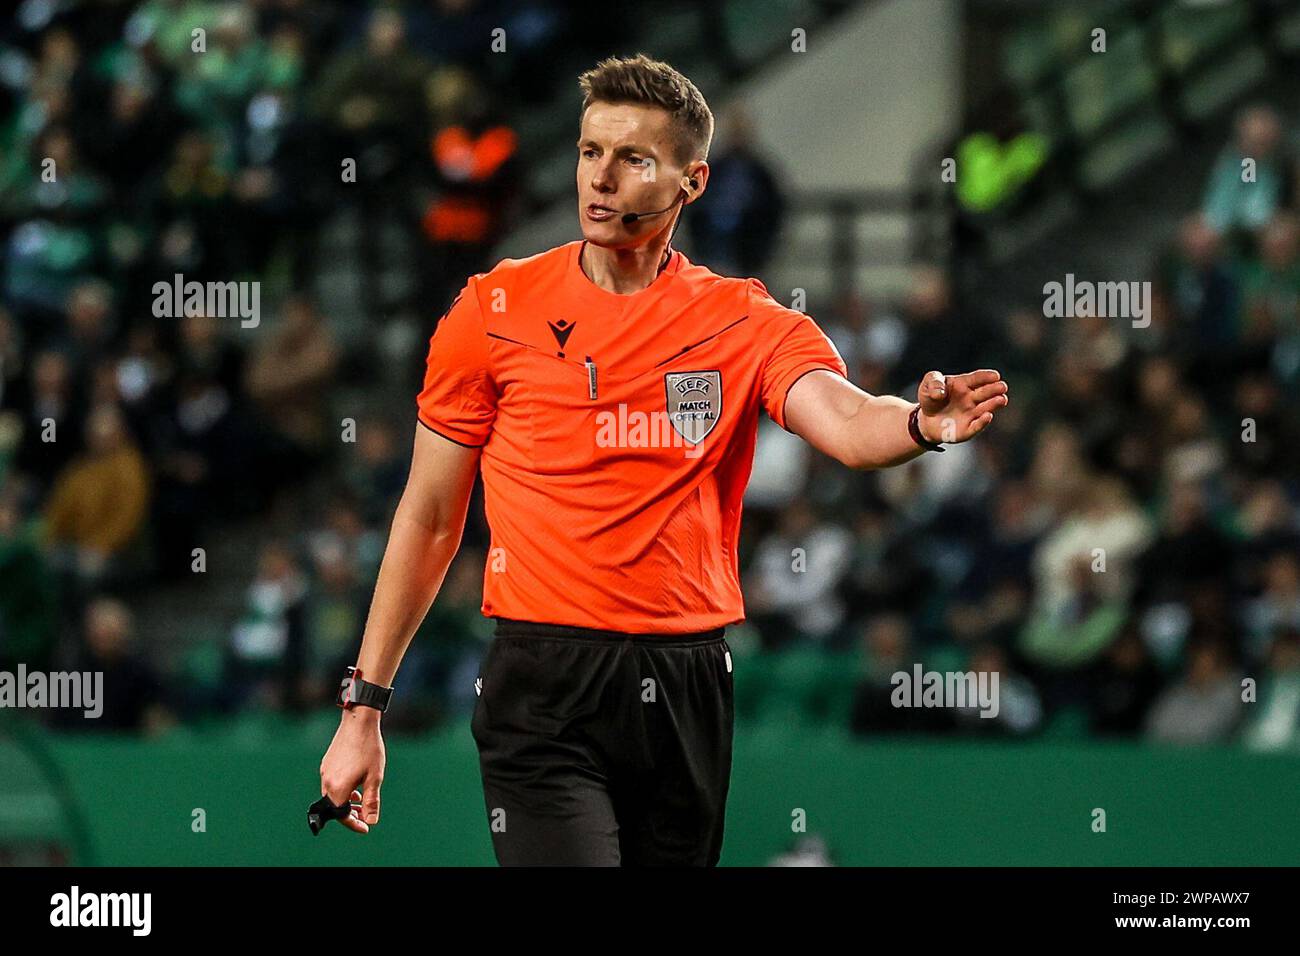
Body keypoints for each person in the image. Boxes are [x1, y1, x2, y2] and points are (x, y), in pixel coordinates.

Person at [318, 54, 1010, 866]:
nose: (601, 178)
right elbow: (431, 516)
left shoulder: (743, 321)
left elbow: (850, 420)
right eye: (588, 152)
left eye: (633, 159)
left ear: (693, 181)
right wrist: (362, 708)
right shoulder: (492, 311)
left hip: (685, 683)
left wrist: (921, 426)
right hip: (542, 682)